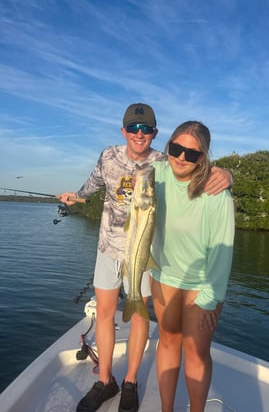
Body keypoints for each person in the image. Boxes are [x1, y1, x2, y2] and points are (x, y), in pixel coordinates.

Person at [58, 104, 232, 412]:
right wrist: (76, 196)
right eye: (134, 128)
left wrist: (225, 173)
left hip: (146, 254)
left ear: (154, 134)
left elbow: (199, 172)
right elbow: (93, 185)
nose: (140, 134)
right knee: (112, 316)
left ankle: (132, 382)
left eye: (146, 129)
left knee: (150, 321)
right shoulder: (112, 157)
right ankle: (107, 380)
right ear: (123, 130)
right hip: (116, 250)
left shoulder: (163, 163)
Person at [150, 121, 235, 412]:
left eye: (192, 153)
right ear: (168, 146)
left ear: (204, 157)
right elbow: (128, 169)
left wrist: (211, 298)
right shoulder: (155, 174)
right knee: (167, 342)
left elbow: (222, 249)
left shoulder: (216, 191)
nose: (181, 157)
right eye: (176, 148)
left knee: (196, 353)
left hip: (202, 285)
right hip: (162, 275)